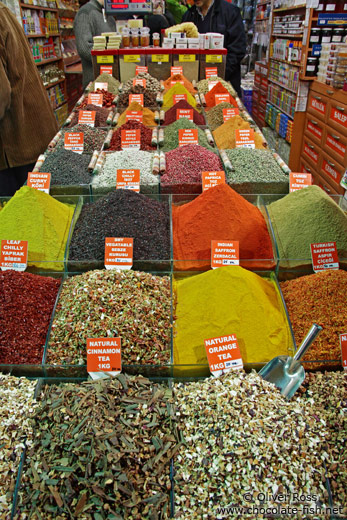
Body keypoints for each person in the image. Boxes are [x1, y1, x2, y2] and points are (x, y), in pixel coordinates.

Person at [0, 2, 58, 197]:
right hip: (30, 135)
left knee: (19, 217)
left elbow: (1, 94)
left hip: (14, 143)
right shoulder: (4, 11)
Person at [182, 0, 246, 96]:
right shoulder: (189, 15)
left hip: (224, 84)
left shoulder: (230, 12)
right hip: (196, 88)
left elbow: (237, 50)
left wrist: (217, 77)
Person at [74, 0, 117, 88]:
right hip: (95, 83)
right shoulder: (85, 13)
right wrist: (111, 59)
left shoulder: (110, 17)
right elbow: (84, 48)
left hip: (112, 81)